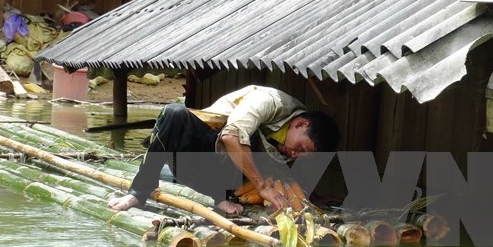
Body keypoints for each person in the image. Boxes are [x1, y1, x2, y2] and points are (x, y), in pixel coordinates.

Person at [108, 85, 340, 215]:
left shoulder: (290, 134)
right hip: (196, 154)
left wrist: (313, 197)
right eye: (300, 148)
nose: (295, 154)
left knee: (262, 155)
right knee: (174, 112)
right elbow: (230, 137)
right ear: (301, 124)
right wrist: (261, 187)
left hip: (228, 178)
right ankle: (139, 192)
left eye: (303, 155)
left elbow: (285, 172)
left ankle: (222, 196)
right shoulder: (269, 100)